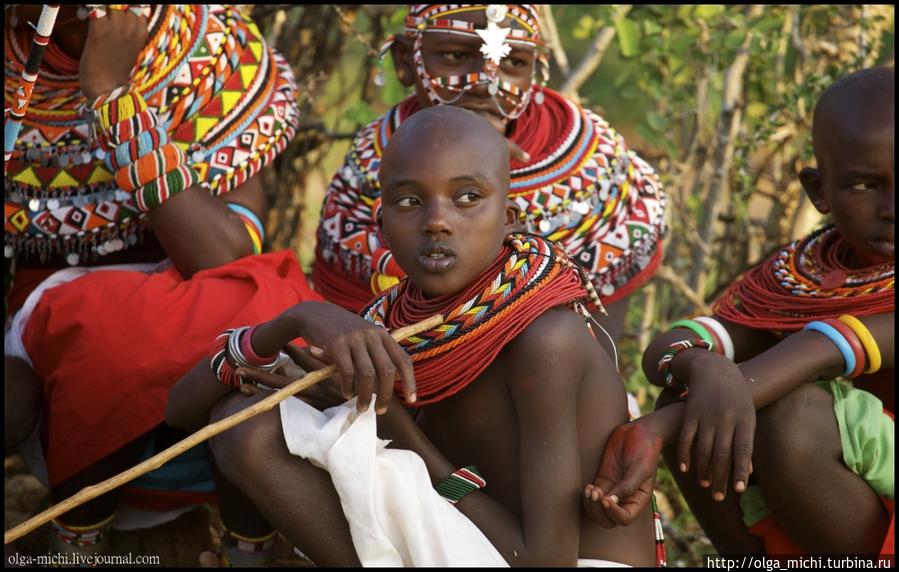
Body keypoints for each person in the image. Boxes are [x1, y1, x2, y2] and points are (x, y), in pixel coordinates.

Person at [167, 105, 663, 566]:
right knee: (247, 424)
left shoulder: (545, 338)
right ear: (382, 223)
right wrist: (289, 323)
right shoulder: (397, 324)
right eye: (410, 201)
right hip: (475, 536)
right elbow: (182, 414)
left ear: (508, 218)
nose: (438, 222)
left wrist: (395, 427)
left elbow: (543, 562)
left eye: (468, 197)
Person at [3, 4, 317, 559]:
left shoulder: (215, 49)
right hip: (59, 319)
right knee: (107, 331)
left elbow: (224, 254)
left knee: (264, 302)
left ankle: (249, 551)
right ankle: (77, 538)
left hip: (195, 301)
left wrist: (112, 98)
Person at [583, 67, 894, 556]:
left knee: (789, 414)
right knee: (702, 409)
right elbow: (669, 347)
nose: (892, 207)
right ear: (818, 190)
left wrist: (656, 427)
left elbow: (820, 350)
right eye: (865, 185)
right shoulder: (798, 276)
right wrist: (702, 365)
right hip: (849, 495)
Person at [313, 4, 666, 343]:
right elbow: (350, 336)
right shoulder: (369, 161)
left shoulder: (595, 166)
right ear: (405, 61)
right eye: (456, 57)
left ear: (536, 67)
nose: (486, 83)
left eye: (512, 62)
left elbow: (595, 352)